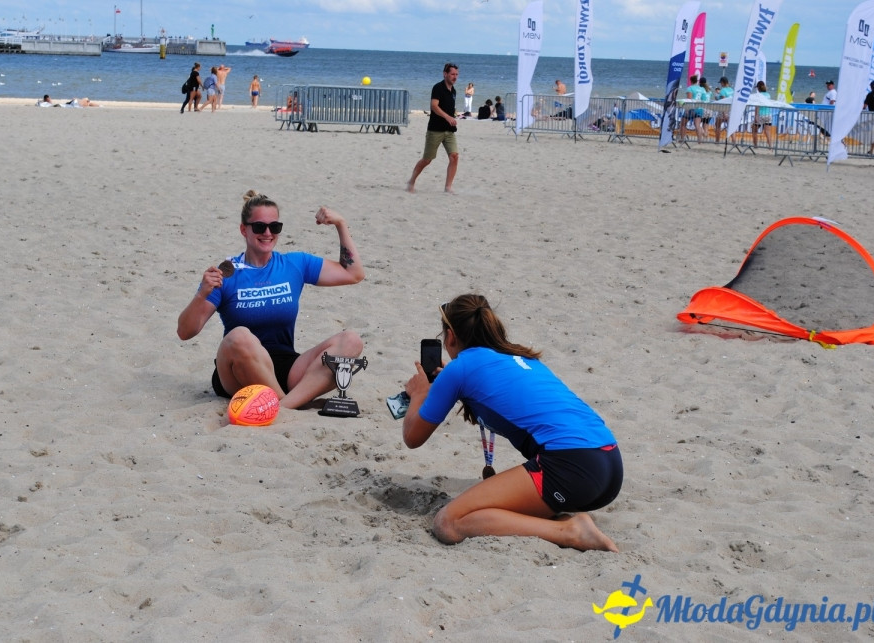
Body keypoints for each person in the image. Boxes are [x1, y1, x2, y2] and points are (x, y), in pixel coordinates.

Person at [401, 294, 622, 551]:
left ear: (450, 336)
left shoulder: (459, 369)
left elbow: (413, 437)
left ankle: (568, 530)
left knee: (449, 522)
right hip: (609, 463)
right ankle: (558, 519)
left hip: (572, 467)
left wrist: (419, 394)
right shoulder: (522, 357)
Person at [177, 192, 366, 410]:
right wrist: (201, 295)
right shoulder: (226, 274)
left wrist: (341, 225)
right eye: (259, 227)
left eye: (274, 227)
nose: (267, 233)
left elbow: (354, 274)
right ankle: (291, 404)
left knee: (351, 340)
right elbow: (185, 332)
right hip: (237, 371)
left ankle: (282, 405)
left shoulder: (294, 264)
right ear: (244, 230)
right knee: (239, 336)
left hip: (286, 366)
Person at [406, 62, 460, 194]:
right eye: (452, 74)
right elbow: (434, 106)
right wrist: (447, 117)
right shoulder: (438, 88)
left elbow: (449, 107)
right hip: (435, 130)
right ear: (445, 74)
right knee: (427, 160)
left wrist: (453, 117)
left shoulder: (453, 91)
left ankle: (448, 187)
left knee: (454, 156)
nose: (455, 77)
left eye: (457, 74)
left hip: (449, 131)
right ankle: (411, 181)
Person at [679, 74, 707, 143]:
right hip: (699, 108)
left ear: (690, 81)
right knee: (697, 125)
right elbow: (704, 99)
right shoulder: (702, 89)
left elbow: (689, 99)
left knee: (683, 124)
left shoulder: (690, 88)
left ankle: (682, 138)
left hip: (692, 107)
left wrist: (687, 109)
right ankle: (699, 140)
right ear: (697, 81)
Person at [752, 80, 774, 148]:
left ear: (758, 88)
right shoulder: (768, 95)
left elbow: (757, 106)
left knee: (754, 130)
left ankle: (755, 145)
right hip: (768, 114)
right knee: (767, 131)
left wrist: (756, 116)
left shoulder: (759, 95)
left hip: (761, 114)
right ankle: (770, 146)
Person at [714, 76, 733, 143]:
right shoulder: (731, 90)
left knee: (717, 125)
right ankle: (734, 141)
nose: (720, 84)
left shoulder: (723, 91)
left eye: (721, 83)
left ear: (722, 83)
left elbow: (724, 101)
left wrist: (724, 112)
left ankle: (717, 140)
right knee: (731, 127)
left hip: (723, 110)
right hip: (730, 109)